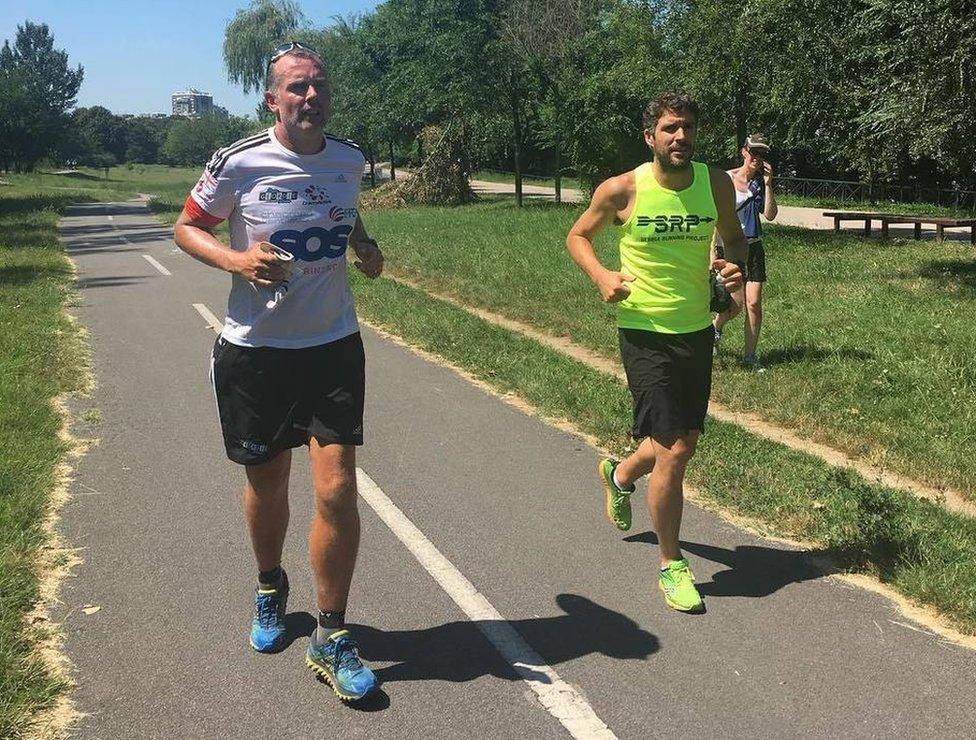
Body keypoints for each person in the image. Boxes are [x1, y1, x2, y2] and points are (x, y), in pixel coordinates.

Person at [173, 41, 383, 702]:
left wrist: (365, 245)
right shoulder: (237, 161)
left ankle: (332, 635)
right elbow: (187, 227)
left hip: (332, 346)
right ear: (272, 99)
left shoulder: (350, 160)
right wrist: (235, 262)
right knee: (268, 484)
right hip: (256, 352)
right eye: (296, 87)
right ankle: (270, 586)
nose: (309, 96)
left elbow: (342, 211)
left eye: (318, 85)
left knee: (337, 488)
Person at [566, 91, 747, 613]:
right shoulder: (623, 189)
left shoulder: (715, 184)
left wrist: (730, 268)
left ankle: (620, 475)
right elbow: (578, 236)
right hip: (644, 331)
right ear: (651, 137)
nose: (680, 137)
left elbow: (733, 240)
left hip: (696, 330)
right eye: (670, 128)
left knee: (681, 439)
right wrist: (601, 274)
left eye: (688, 127)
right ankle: (673, 565)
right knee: (676, 451)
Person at [711, 134, 778, 372]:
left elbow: (770, 215)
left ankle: (750, 356)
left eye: (761, 155)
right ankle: (715, 328)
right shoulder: (725, 180)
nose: (757, 159)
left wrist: (769, 184)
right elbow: (714, 222)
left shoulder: (759, 184)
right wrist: (713, 255)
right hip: (728, 247)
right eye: (754, 153)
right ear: (744, 152)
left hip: (754, 247)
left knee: (754, 303)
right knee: (736, 305)